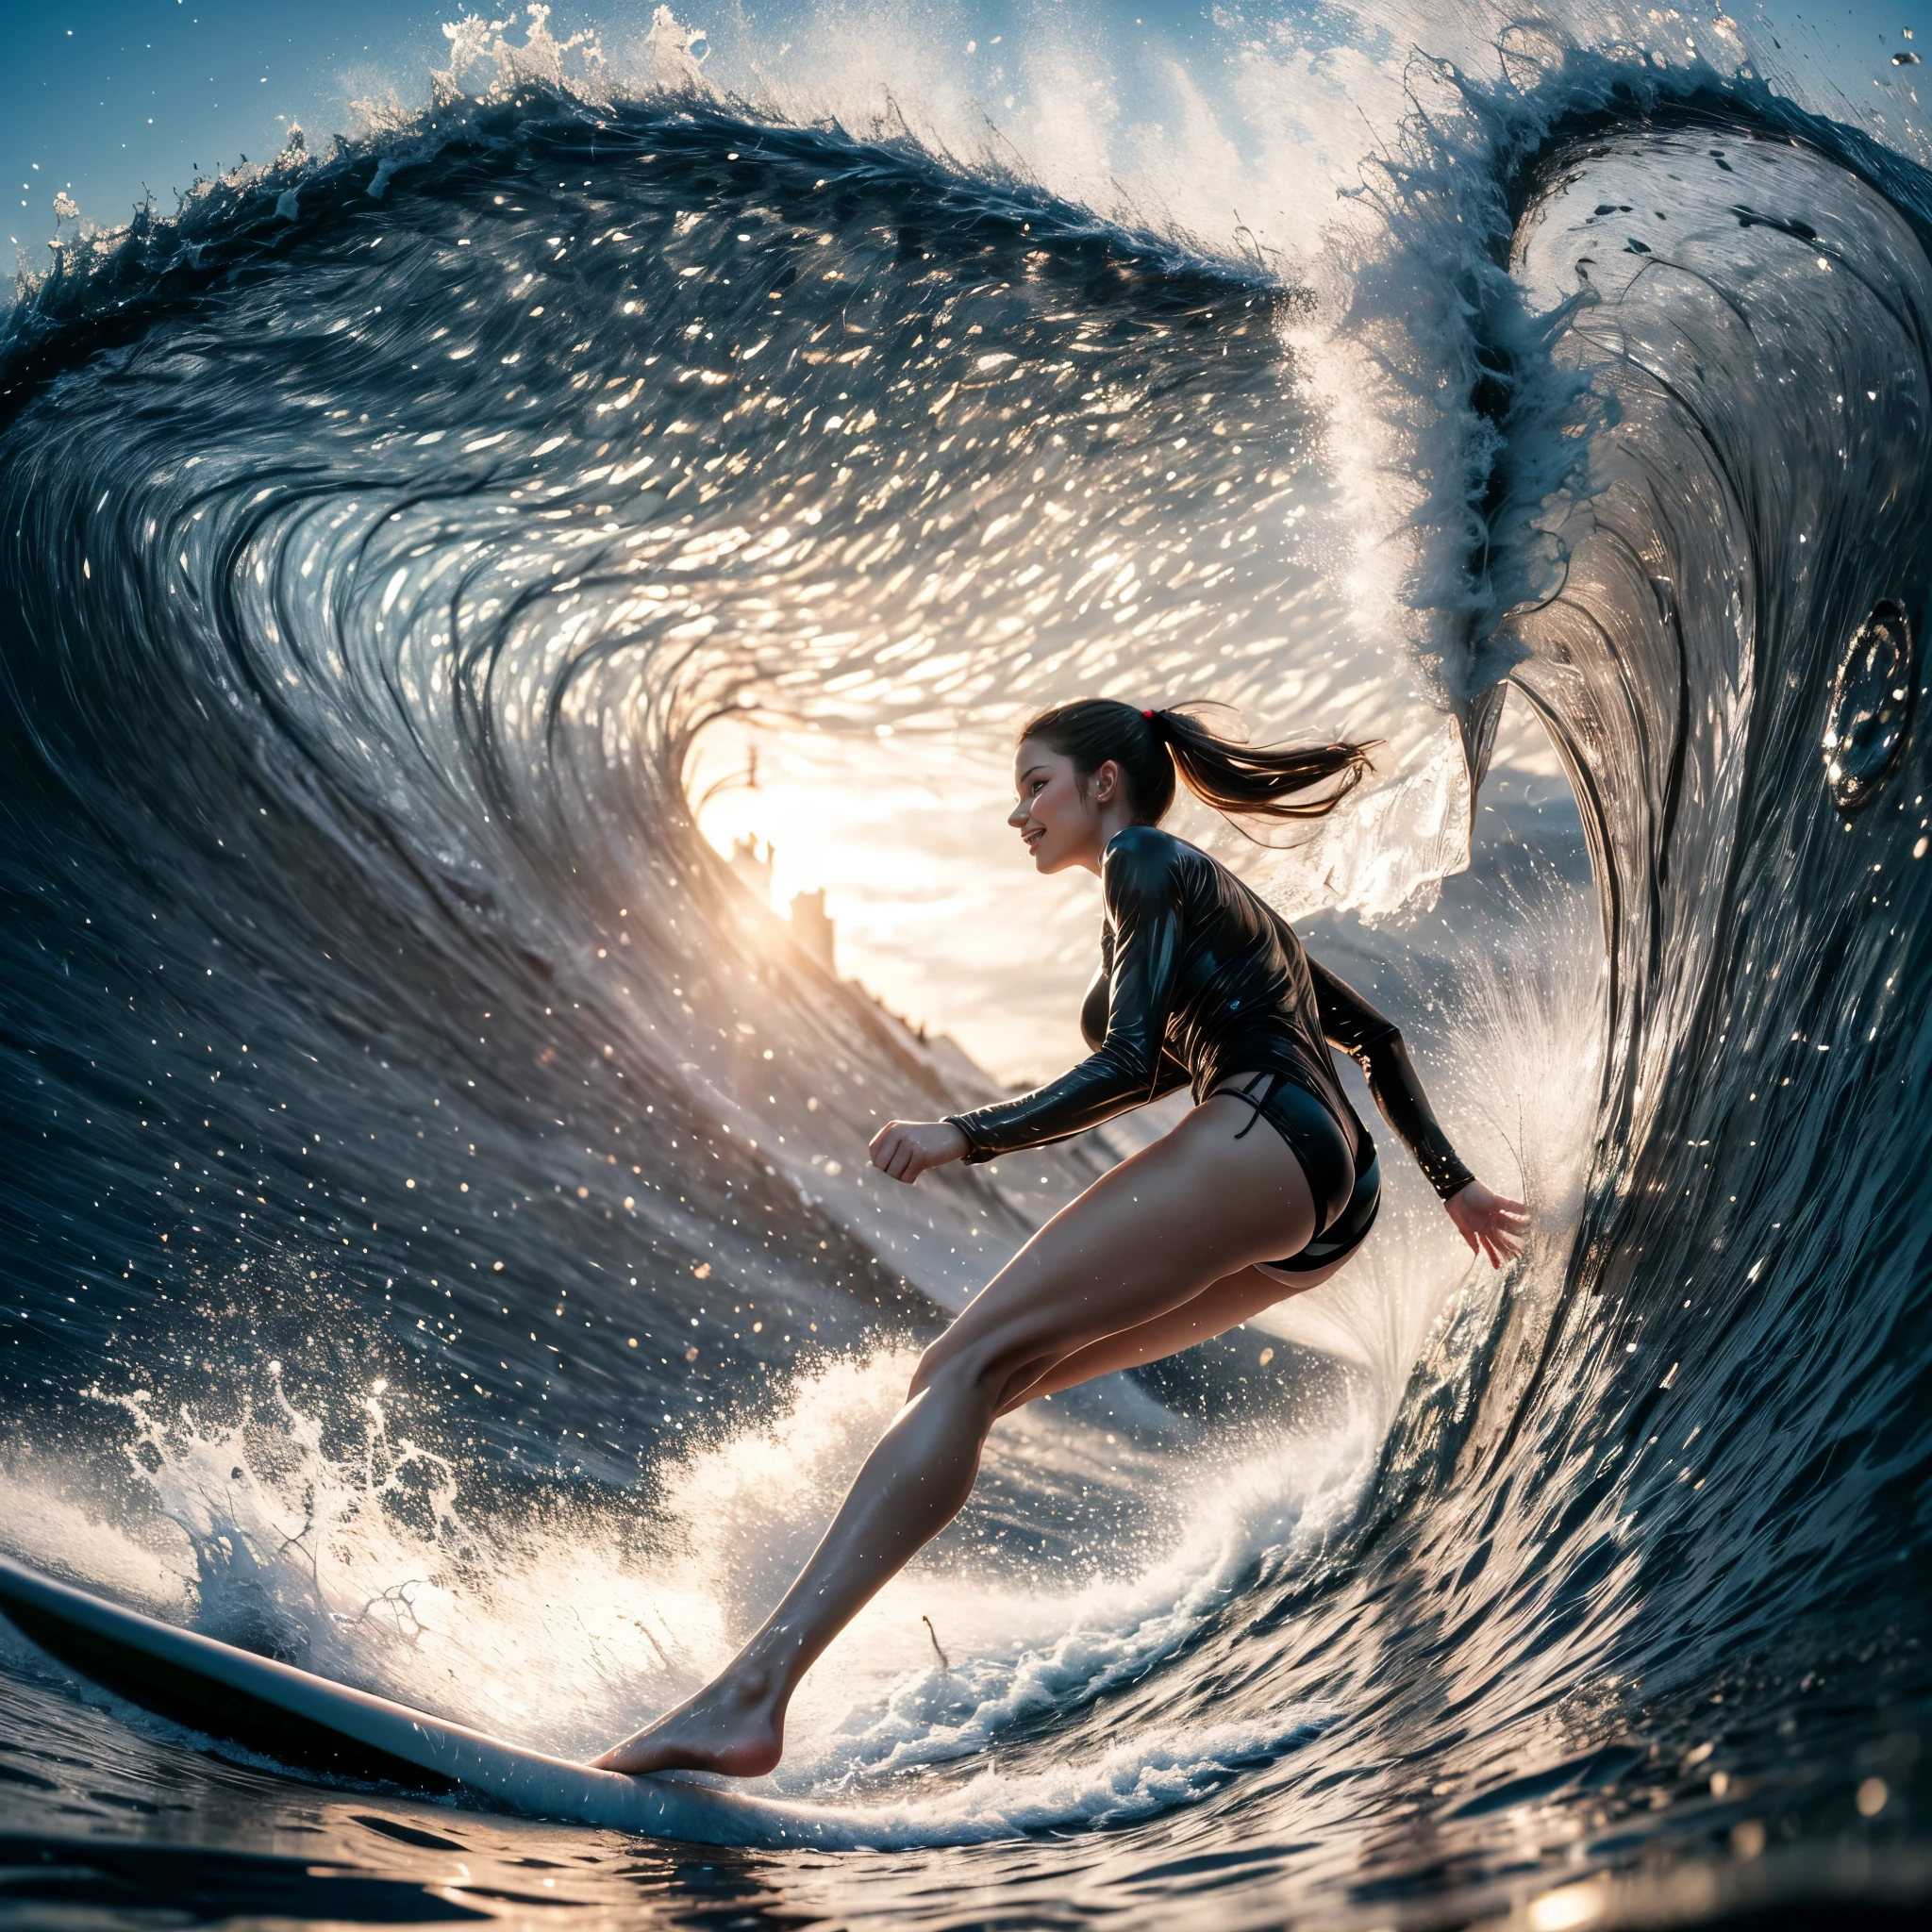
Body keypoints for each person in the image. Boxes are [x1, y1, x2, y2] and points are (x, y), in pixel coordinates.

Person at [594, 699, 1528, 1778]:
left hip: (1263, 1129)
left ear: (1101, 784)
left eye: (1033, 782)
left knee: (955, 1364)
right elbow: (1371, 1035)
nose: (1016, 811)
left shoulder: (1141, 861)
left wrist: (963, 1134)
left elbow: (1131, 1061)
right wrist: (1450, 1185)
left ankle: (749, 1697)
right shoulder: (1213, 897)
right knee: (980, 1387)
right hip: (1332, 1192)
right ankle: (754, 1692)